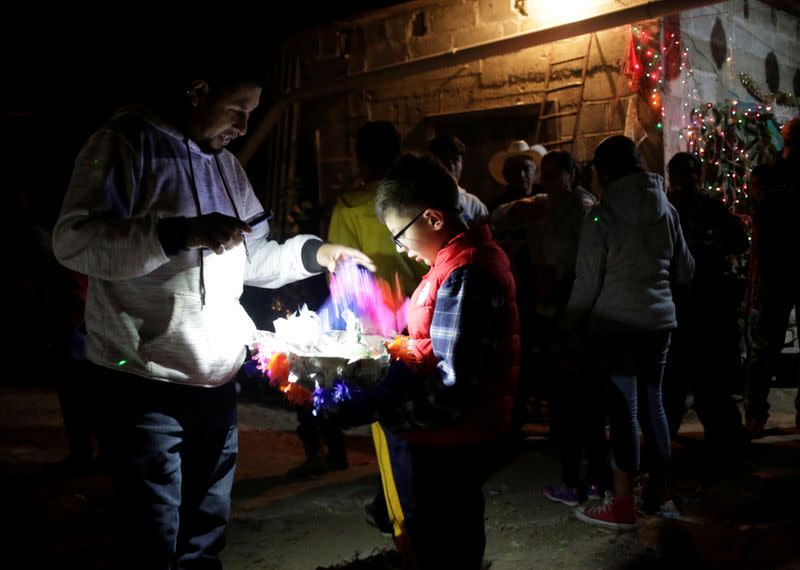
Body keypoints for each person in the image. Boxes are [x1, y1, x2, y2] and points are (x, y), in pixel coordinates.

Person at [51, 71, 374, 569]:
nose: (244, 127)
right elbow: (74, 241)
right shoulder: (122, 144)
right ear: (196, 91)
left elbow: (255, 255)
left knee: (206, 533)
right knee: (153, 537)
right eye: (237, 109)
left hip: (218, 385)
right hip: (143, 382)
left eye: (251, 112)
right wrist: (176, 235)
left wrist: (317, 253)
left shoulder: (227, 168)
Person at [329, 153, 520, 569]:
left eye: (399, 236)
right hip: (448, 437)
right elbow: (437, 346)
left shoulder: (465, 273)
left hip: (450, 440)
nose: (400, 249)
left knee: (444, 542)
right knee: (449, 535)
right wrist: (391, 353)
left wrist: (381, 409)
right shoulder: (451, 264)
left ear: (433, 218)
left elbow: (454, 386)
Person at [566, 136, 694, 531]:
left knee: (623, 410)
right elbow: (686, 270)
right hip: (660, 323)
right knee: (655, 403)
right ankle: (660, 493)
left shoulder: (601, 215)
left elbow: (586, 286)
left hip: (616, 326)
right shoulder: (666, 208)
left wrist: (567, 326)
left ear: (603, 173)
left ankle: (622, 505)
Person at [327, 120, 426, 534]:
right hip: (424, 318)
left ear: (359, 158)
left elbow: (339, 277)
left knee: (390, 429)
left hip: (377, 333)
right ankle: (410, 507)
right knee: (420, 420)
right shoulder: (414, 198)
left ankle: (401, 517)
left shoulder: (349, 206)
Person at [664, 152, 749, 479]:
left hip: (699, 307)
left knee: (698, 386)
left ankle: (719, 454)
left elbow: (739, 242)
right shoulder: (675, 208)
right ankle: (717, 454)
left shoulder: (693, 208)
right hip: (689, 307)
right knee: (696, 386)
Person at [743, 116, 800, 437]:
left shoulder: (770, 175)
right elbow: (762, 211)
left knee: (765, 346)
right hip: (776, 270)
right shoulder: (769, 175)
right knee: (766, 346)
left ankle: (755, 414)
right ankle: (755, 413)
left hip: (777, 270)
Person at [427, 134, 488, 223]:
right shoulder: (422, 202)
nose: (451, 166)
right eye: (445, 160)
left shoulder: (473, 204)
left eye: (455, 160)